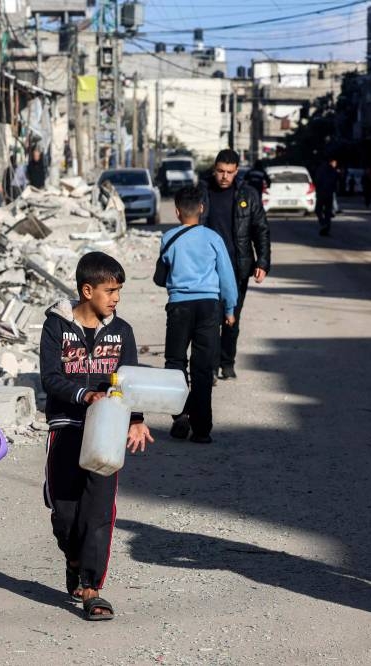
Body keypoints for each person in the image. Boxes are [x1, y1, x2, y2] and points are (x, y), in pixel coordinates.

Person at [39, 251, 154, 621]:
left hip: (107, 429)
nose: (116, 298)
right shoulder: (56, 325)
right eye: (110, 290)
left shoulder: (123, 332)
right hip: (67, 428)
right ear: (87, 291)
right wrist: (83, 394)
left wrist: (136, 418)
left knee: (99, 512)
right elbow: (51, 378)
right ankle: (73, 557)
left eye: (119, 290)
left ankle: (92, 588)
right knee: (66, 513)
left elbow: (131, 379)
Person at [160, 187, 238, 444]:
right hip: (208, 306)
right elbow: (226, 276)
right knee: (203, 367)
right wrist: (229, 308)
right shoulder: (213, 238)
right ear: (202, 209)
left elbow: (162, 275)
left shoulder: (169, 237)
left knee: (175, 362)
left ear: (177, 211)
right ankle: (202, 429)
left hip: (179, 306)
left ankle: (180, 415)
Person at [198, 148, 271, 381]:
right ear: (214, 169)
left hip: (238, 267)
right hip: (207, 269)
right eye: (220, 171)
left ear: (237, 171)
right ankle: (209, 367)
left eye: (229, 172)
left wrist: (263, 261)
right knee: (210, 320)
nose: (224, 177)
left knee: (232, 319)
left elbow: (261, 229)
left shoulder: (248, 195)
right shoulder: (201, 191)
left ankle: (227, 363)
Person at [314, 156, 339, 237]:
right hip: (329, 193)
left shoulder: (320, 169)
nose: (335, 164)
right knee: (327, 212)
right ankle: (326, 228)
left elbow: (317, 180)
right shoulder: (333, 170)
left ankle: (323, 223)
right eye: (334, 162)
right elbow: (335, 181)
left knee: (318, 209)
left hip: (322, 193)